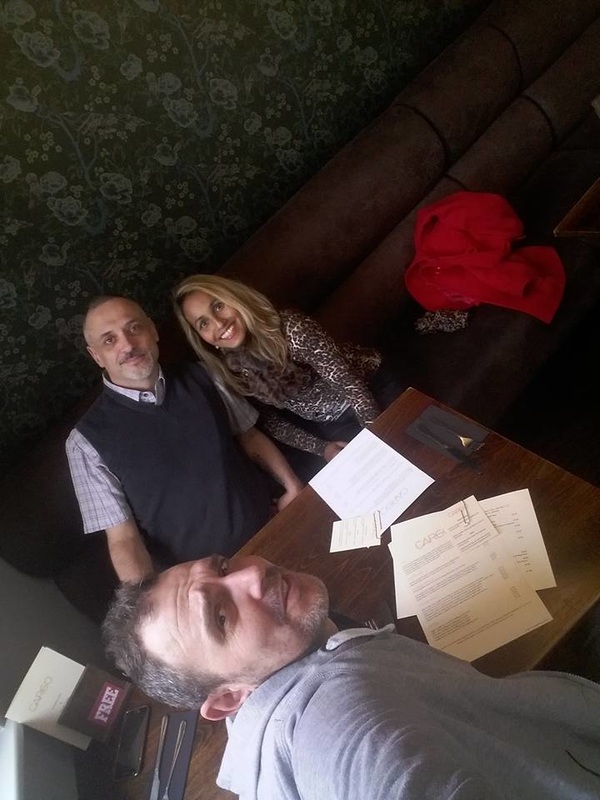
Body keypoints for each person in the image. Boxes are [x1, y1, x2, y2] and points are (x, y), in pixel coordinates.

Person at [103, 553, 600, 800]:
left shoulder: (282, 678)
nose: (252, 574)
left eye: (223, 566)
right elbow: (380, 762)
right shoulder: (339, 723)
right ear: (230, 698)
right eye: (220, 616)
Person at [66, 296, 303, 584]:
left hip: (274, 527)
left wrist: (292, 485)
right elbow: (123, 539)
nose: (127, 345)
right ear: (96, 356)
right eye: (109, 340)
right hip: (214, 584)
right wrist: (150, 599)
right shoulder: (85, 443)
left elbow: (249, 436)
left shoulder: (203, 374)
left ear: (152, 330)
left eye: (134, 328)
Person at [172, 275, 405, 476]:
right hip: (330, 421)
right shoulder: (231, 370)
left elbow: (351, 386)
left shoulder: (292, 329)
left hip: (372, 384)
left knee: (402, 449)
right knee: (369, 479)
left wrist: (378, 440)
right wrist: (321, 448)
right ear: (202, 338)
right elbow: (269, 421)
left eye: (218, 306)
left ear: (235, 298)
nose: (219, 323)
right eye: (203, 323)